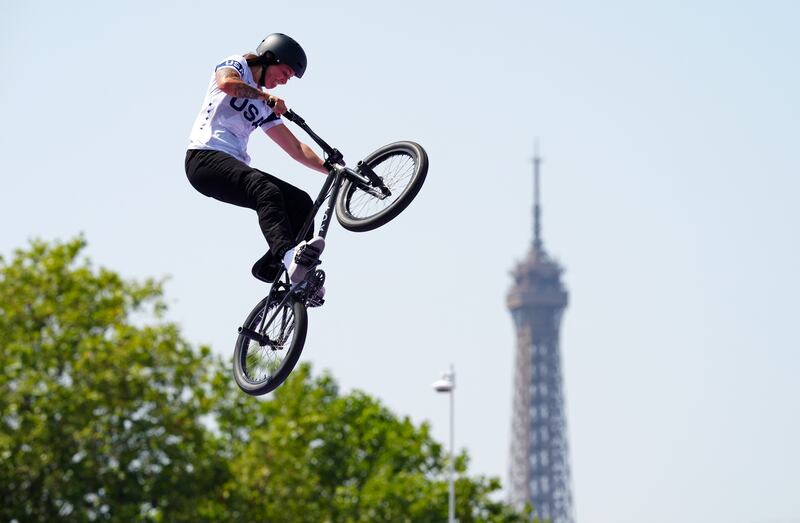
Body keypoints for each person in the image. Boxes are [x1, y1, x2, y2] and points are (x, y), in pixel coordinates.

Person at [185, 33, 327, 288]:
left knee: (301, 203)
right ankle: (285, 254)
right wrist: (265, 98)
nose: (284, 81)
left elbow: (295, 147)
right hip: (204, 158)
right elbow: (227, 83)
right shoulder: (238, 65)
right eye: (285, 72)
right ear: (270, 57)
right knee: (266, 190)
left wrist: (332, 170)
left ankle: (282, 270)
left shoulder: (264, 104)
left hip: (230, 164)